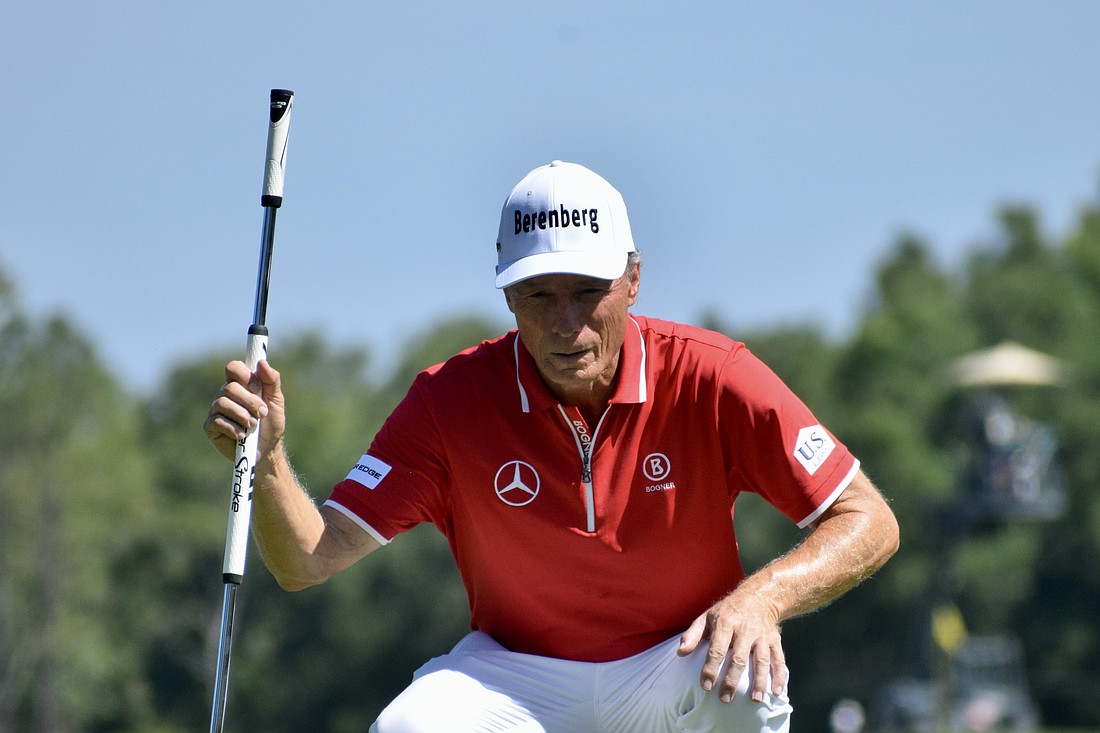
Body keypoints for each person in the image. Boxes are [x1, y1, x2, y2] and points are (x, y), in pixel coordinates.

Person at [204, 160, 900, 732]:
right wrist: (264, 461)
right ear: (507, 294)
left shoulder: (711, 374)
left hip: (674, 659)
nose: (567, 323)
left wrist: (765, 597)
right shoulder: (450, 401)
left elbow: (868, 517)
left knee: (743, 676)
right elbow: (305, 559)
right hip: (516, 675)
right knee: (408, 728)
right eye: (539, 295)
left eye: (588, 291)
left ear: (633, 278)